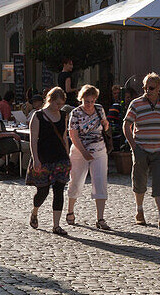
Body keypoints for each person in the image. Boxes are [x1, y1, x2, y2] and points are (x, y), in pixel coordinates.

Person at [123, 71, 160, 229]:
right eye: (145, 87)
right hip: (142, 148)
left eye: (151, 87)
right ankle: (139, 211)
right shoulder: (136, 103)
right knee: (139, 182)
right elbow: (126, 125)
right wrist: (134, 147)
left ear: (159, 87)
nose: (148, 90)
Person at [27, 87, 71, 235]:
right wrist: (35, 159)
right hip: (43, 157)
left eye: (61, 104)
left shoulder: (64, 115)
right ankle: (35, 211)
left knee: (59, 190)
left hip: (60, 158)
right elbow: (33, 139)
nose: (58, 107)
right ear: (50, 100)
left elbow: (64, 137)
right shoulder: (38, 116)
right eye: (56, 103)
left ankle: (56, 225)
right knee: (43, 191)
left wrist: (68, 155)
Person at [66, 84, 111, 230]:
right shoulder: (76, 113)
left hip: (99, 149)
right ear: (81, 99)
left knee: (100, 182)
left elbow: (105, 127)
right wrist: (84, 152)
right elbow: (73, 134)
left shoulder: (99, 109)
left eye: (92, 101)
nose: (89, 105)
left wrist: (105, 124)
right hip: (80, 151)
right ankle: (70, 211)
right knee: (76, 180)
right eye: (87, 101)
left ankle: (100, 218)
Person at [107, 86, 132, 151]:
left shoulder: (127, 108)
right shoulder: (116, 107)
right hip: (118, 139)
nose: (129, 99)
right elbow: (110, 123)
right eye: (127, 97)